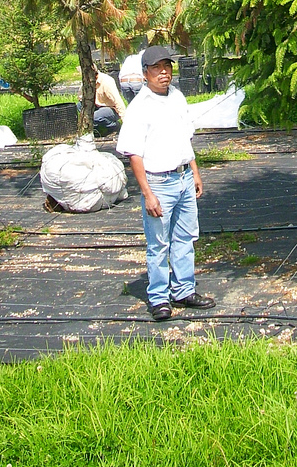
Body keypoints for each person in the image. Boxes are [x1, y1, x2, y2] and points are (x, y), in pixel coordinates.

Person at [116, 45, 215, 321]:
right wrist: (147, 193)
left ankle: (184, 289)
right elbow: (134, 153)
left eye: (168, 67)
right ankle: (159, 297)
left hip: (183, 177)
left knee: (185, 237)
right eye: (158, 68)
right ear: (146, 73)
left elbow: (187, 138)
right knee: (158, 243)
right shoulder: (140, 107)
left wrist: (194, 171)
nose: (164, 73)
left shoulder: (177, 97)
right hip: (159, 183)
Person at [92, 65, 127, 136]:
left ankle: (114, 126)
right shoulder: (87, 81)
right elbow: (80, 97)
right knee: (79, 106)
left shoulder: (106, 81)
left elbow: (118, 102)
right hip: (96, 106)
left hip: (110, 109)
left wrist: (125, 122)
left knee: (94, 117)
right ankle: (96, 128)